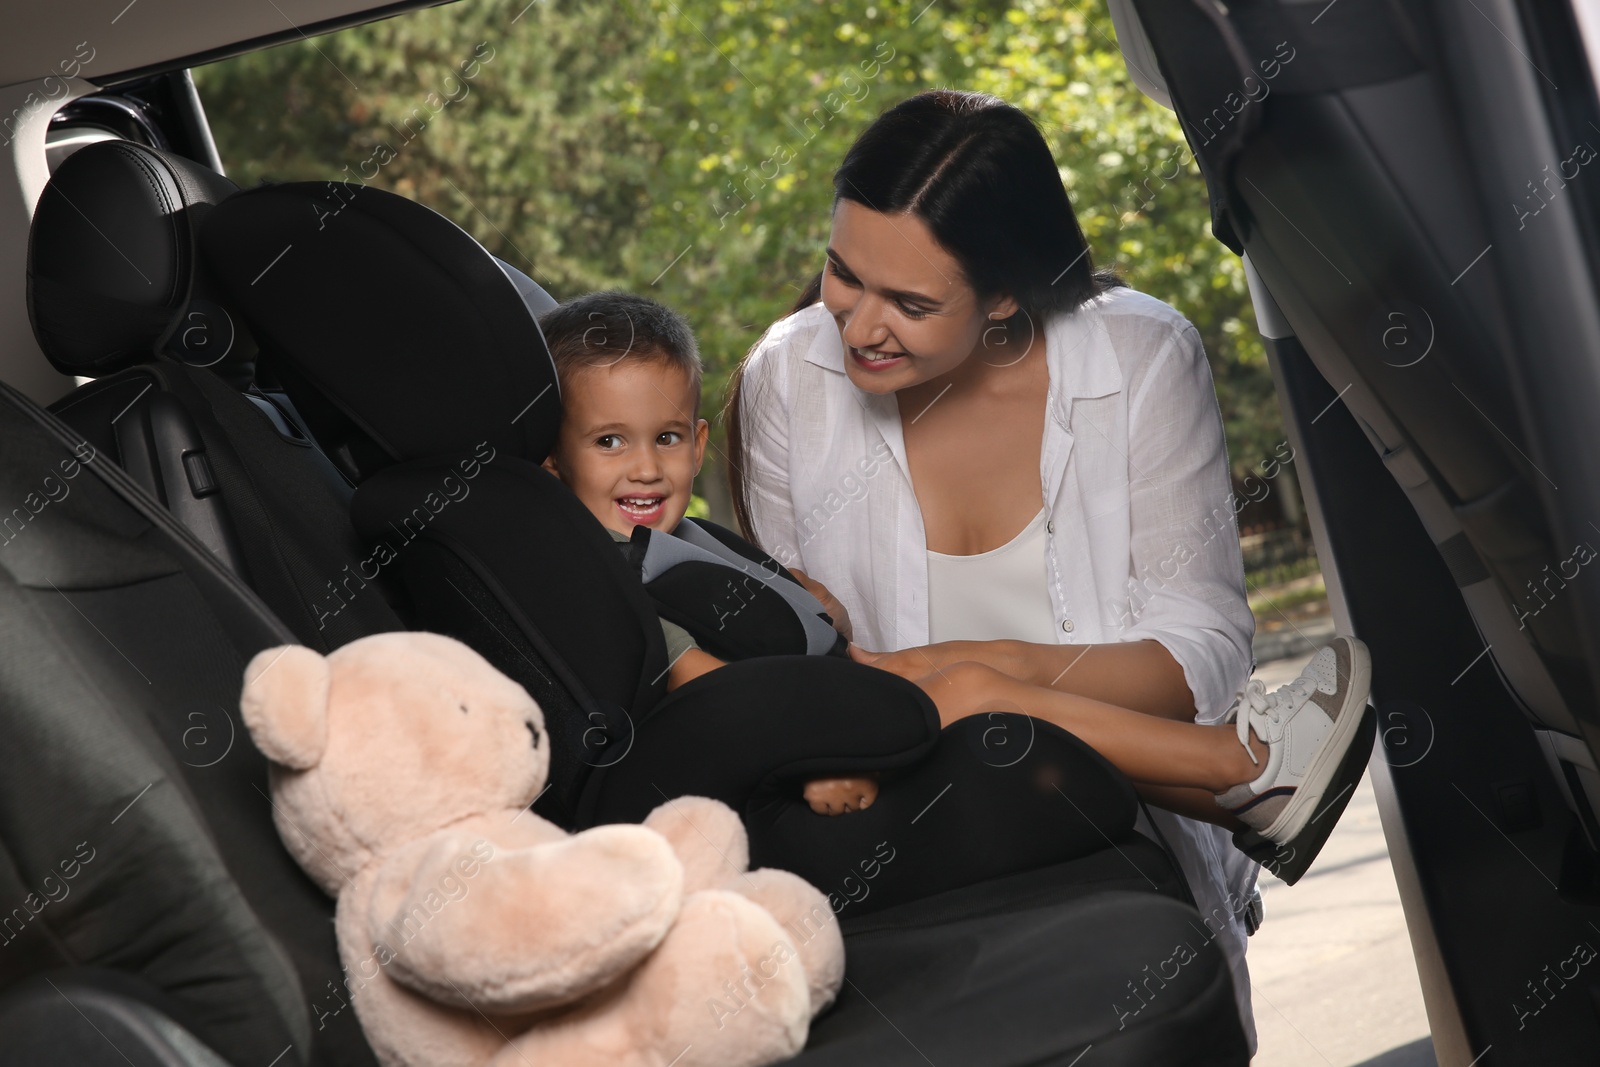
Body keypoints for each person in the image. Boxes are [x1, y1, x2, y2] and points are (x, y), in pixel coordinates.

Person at [721, 88, 1348, 1049]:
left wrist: (990, 673)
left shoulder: (1138, 353)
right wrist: (950, 687)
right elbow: (803, 664)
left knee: (969, 686)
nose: (856, 326)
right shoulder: (787, 377)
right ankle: (1239, 778)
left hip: (1116, 852)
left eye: (912, 303)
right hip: (903, 847)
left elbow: (1203, 656)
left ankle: (1225, 776)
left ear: (1006, 294)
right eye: (844, 274)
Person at [536, 291, 1370, 865]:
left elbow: (761, 601)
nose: (645, 467)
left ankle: (1245, 807)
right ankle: (1240, 761)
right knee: (972, 689)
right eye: (608, 442)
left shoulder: (677, 540)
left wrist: (796, 592)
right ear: (551, 462)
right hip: (800, 747)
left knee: (975, 670)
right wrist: (809, 760)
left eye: (668, 438)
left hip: (831, 693)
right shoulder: (612, 578)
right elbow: (711, 701)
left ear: (698, 434)